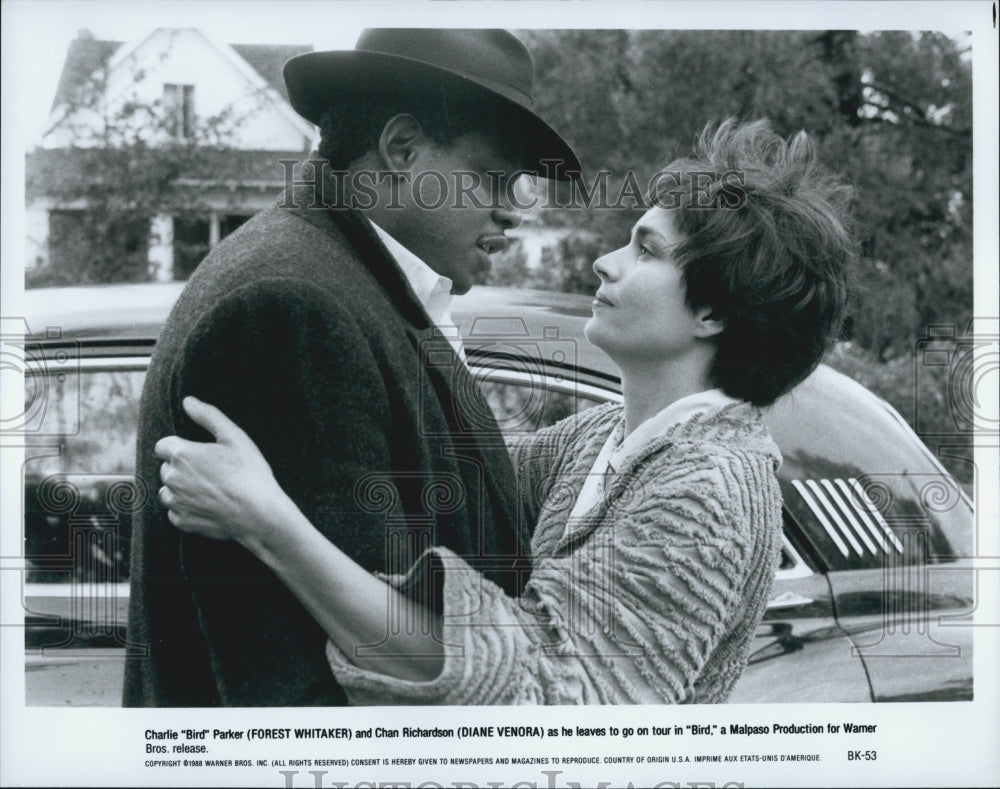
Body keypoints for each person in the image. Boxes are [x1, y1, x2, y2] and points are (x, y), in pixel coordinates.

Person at [155, 119, 856, 704]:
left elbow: (542, 696)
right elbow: (445, 490)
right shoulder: (599, 441)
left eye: (646, 249)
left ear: (713, 310)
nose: (605, 264)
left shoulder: (709, 488)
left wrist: (265, 522)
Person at [123, 28, 580, 706]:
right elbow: (307, 675)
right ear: (401, 148)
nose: (514, 210)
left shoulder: (352, 278)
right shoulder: (291, 310)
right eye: (495, 177)